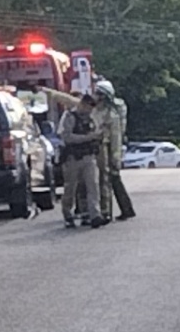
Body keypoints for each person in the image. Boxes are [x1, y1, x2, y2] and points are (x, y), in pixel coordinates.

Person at [57, 94, 107, 228]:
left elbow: (96, 131)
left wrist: (97, 136)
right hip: (73, 158)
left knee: (93, 186)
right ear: (82, 104)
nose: (89, 111)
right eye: (88, 107)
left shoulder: (91, 117)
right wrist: (87, 137)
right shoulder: (70, 117)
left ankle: (94, 215)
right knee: (70, 188)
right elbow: (67, 137)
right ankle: (67, 213)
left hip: (89, 156)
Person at [91, 79, 136, 221]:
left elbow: (117, 135)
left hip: (110, 146)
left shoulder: (113, 112)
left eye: (99, 93)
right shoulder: (99, 109)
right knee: (111, 179)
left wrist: (116, 158)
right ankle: (126, 209)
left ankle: (111, 211)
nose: (96, 96)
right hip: (102, 147)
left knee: (110, 178)